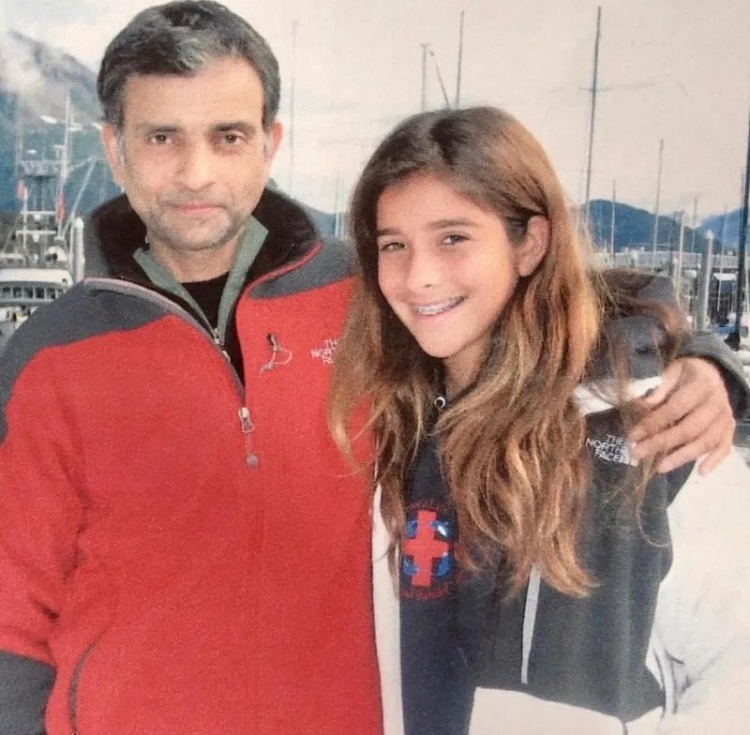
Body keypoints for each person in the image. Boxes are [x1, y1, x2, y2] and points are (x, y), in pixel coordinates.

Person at [0, 3, 742, 733]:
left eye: (228, 136)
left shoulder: (367, 295)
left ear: (270, 143)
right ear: (114, 147)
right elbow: (11, 618)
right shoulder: (46, 357)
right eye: (162, 136)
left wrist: (706, 362)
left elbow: (555, 299)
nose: (196, 172)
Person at [329, 106, 750, 735]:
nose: (418, 277)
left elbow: (738, 662)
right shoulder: (382, 422)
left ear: (530, 243)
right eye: (394, 245)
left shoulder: (655, 420)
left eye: (453, 238)